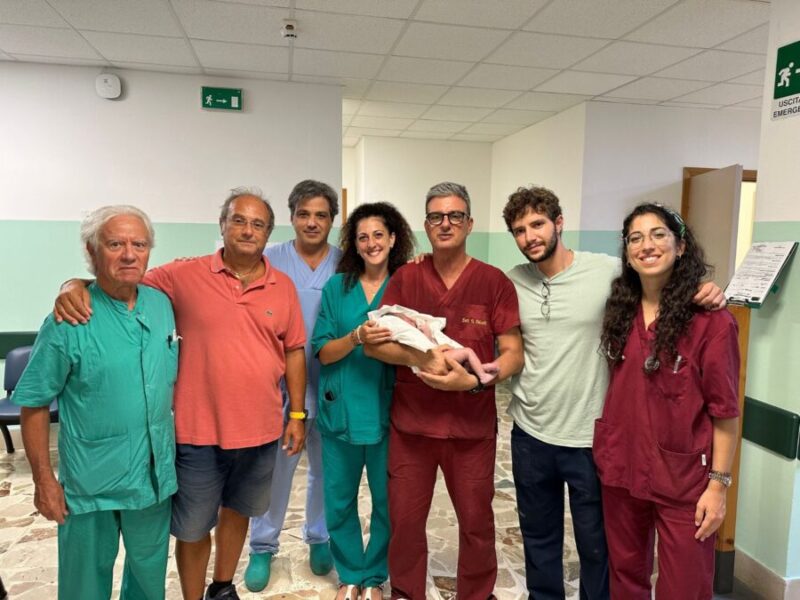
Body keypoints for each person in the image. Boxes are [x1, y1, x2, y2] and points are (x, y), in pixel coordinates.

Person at [53, 189, 307, 600]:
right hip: (196, 434)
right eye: (239, 220)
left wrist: (296, 415)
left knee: (238, 512)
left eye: (258, 224)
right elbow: (120, 277)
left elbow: (293, 349)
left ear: (268, 233)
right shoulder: (183, 275)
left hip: (260, 431)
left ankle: (222, 587)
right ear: (222, 225)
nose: (248, 230)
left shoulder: (284, 287)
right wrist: (74, 283)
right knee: (192, 527)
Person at [502, 186, 726, 600]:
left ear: (559, 223)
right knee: (539, 537)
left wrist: (709, 288)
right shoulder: (511, 281)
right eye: (519, 230)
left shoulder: (607, 271)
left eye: (538, 224)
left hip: (590, 438)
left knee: (599, 549)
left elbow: (661, 279)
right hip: (531, 432)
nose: (530, 236)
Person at [364, 182, 524, 600]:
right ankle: (406, 591)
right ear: (426, 225)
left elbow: (513, 353)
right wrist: (423, 358)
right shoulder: (407, 278)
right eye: (436, 216)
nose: (446, 223)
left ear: (470, 224)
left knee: (476, 522)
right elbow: (376, 345)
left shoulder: (493, 282)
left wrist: (474, 381)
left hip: (470, 429)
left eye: (455, 216)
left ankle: (477, 594)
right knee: (405, 521)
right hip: (412, 428)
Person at [14, 205, 178, 599]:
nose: (129, 254)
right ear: (92, 251)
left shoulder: (161, 305)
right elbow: (34, 403)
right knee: (84, 586)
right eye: (115, 244)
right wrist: (43, 481)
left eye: (139, 244)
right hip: (91, 483)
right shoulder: (69, 319)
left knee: (149, 581)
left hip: (152, 480)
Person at [594, 203, 739, 599]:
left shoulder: (712, 321)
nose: (647, 245)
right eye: (635, 238)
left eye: (658, 234)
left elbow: (725, 413)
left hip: (685, 480)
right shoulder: (619, 311)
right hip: (622, 468)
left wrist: (718, 487)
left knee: (685, 586)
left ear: (681, 246)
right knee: (625, 578)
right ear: (627, 253)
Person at [311, 202, 415, 600]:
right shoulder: (337, 288)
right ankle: (350, 574)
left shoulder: (407, 285)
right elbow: (323, 352)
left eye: (378, 235)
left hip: (391, 411)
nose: (371, 243)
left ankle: (374, 575)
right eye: (362, 237)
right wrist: (356, 337)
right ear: (354, 245)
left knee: (387, 502)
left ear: (393, 238)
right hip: (341, 410)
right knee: (339, 500)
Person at [245, 180, 340, 591]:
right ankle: (262, 545)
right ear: (292, 217)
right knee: (274, 470)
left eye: (321, 215)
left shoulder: (346, 263)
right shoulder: (269, 258)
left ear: (333, 220)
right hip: (279, 387)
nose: (312, 222)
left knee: (326, 470)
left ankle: (320, 537)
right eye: (304, 214)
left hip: (332, 384)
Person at [368, 304, 499, 384]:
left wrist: (424, 328)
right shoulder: (410, 335)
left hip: (441, 355)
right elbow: (426, 345)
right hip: (440, 356)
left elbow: (429, 339)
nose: (411, 320)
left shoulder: (418, 334)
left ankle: (482, 368)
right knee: (467, 352)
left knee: (464, 364)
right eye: (407, 319)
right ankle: (482, 375)